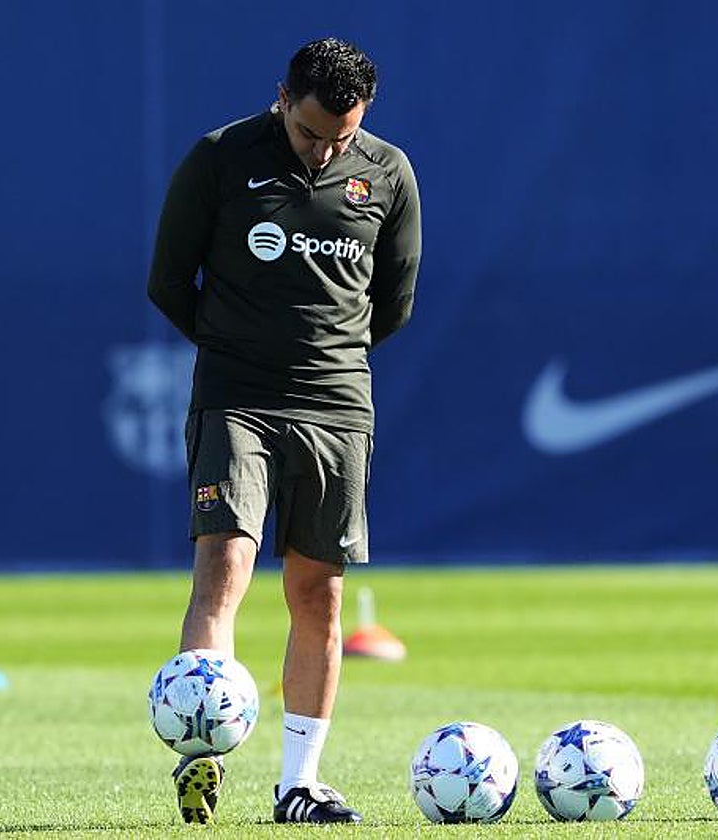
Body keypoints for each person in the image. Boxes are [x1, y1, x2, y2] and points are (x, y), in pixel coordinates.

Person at [147, 37, 421, 825]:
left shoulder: (389, 172)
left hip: (337, 407)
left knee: (318, 592)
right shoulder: (222, 157)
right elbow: (168, 278)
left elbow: (393, 303)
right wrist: (239, 345)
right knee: (225, 563)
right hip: (237, 397)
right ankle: (202, 752)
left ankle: (299, 784)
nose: (325, 148)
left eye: (340, 136)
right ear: (282, 98)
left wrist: (324, 355)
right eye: (309, 133)